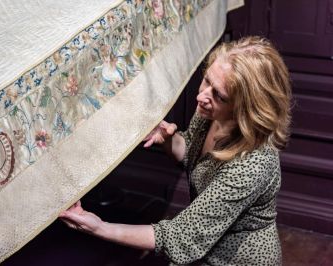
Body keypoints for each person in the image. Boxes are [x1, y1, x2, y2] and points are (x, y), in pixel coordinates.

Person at [59, 36, 292, 265]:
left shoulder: (252, 164)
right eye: (207, 80)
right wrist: (169, 141)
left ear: (245, 108)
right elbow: (192, 150)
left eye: (219, 95)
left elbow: (182, 238)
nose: (202, 96)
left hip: (235, 259)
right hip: (203, 246)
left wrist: (100, 227)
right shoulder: (211, 112)